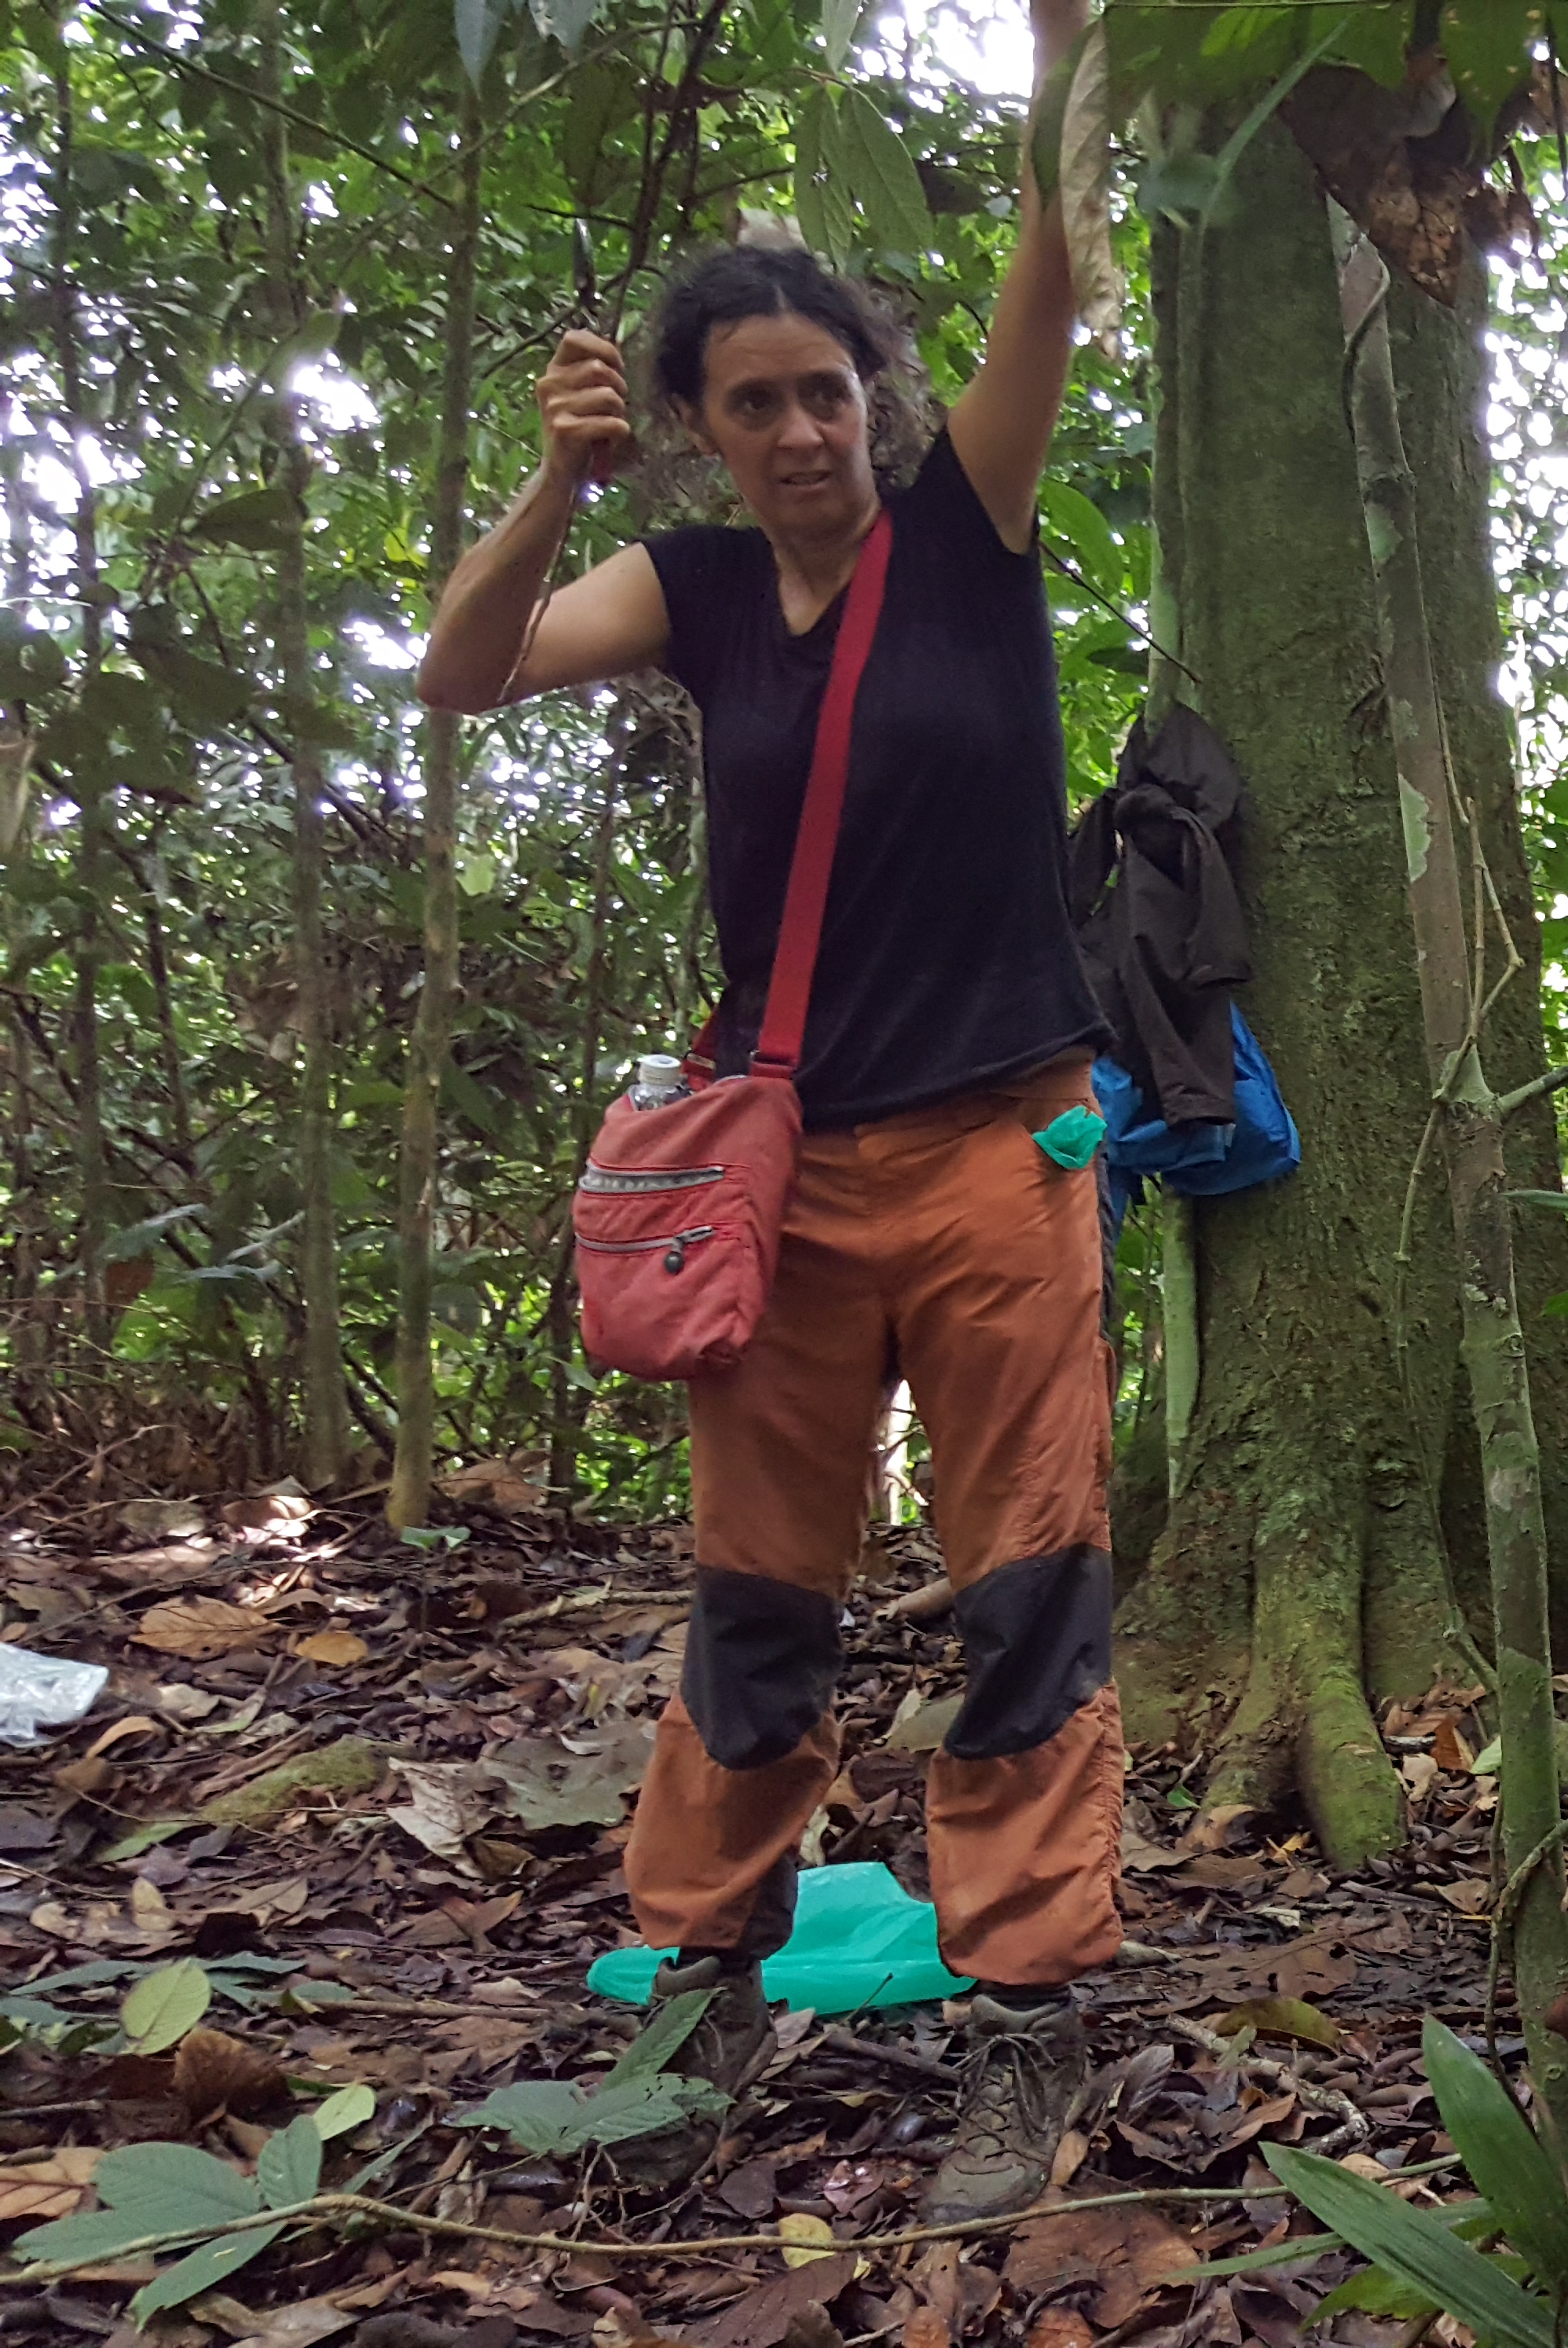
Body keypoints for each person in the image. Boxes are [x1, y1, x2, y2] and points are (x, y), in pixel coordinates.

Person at [418, 0, 1117, 2220]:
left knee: (1029, 1587)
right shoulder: (704, 586)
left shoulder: (968, 519)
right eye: (758, 403)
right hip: (787, 1177)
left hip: (1008, 1145)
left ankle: (1030, 2017)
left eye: (827, 389)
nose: (803, 427)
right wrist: (555, 480)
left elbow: (1057, 270)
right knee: (756, 1589)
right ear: (709, 433)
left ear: (870, 398)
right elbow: (460, 669)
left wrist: (1065, 42)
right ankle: (703, 1981)